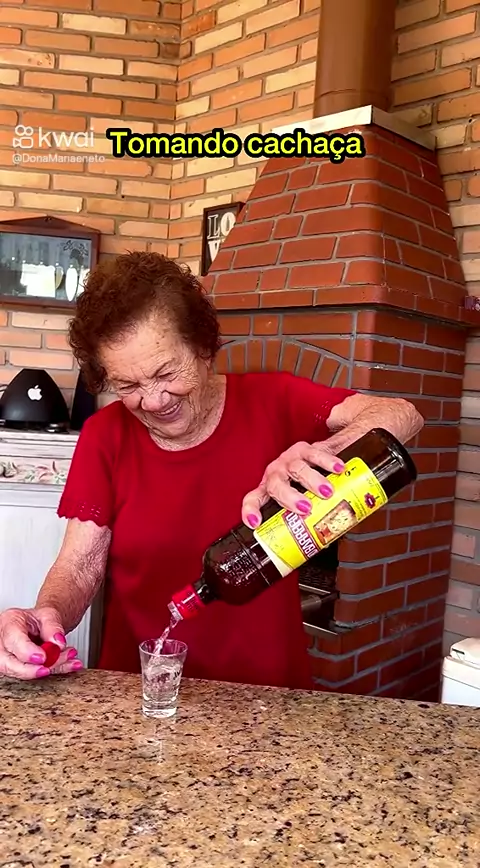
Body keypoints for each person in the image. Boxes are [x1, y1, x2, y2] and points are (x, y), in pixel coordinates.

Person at [0, 253, 423, 688]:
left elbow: (403, 414)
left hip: (264, 693)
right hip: (141, 691)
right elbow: (79, 567)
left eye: (166, 373)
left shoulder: (274, 401)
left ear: (203, 348)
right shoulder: (105, 435)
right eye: (128, 385)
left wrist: (325, 451)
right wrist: (45, 615)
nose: (154, 400)